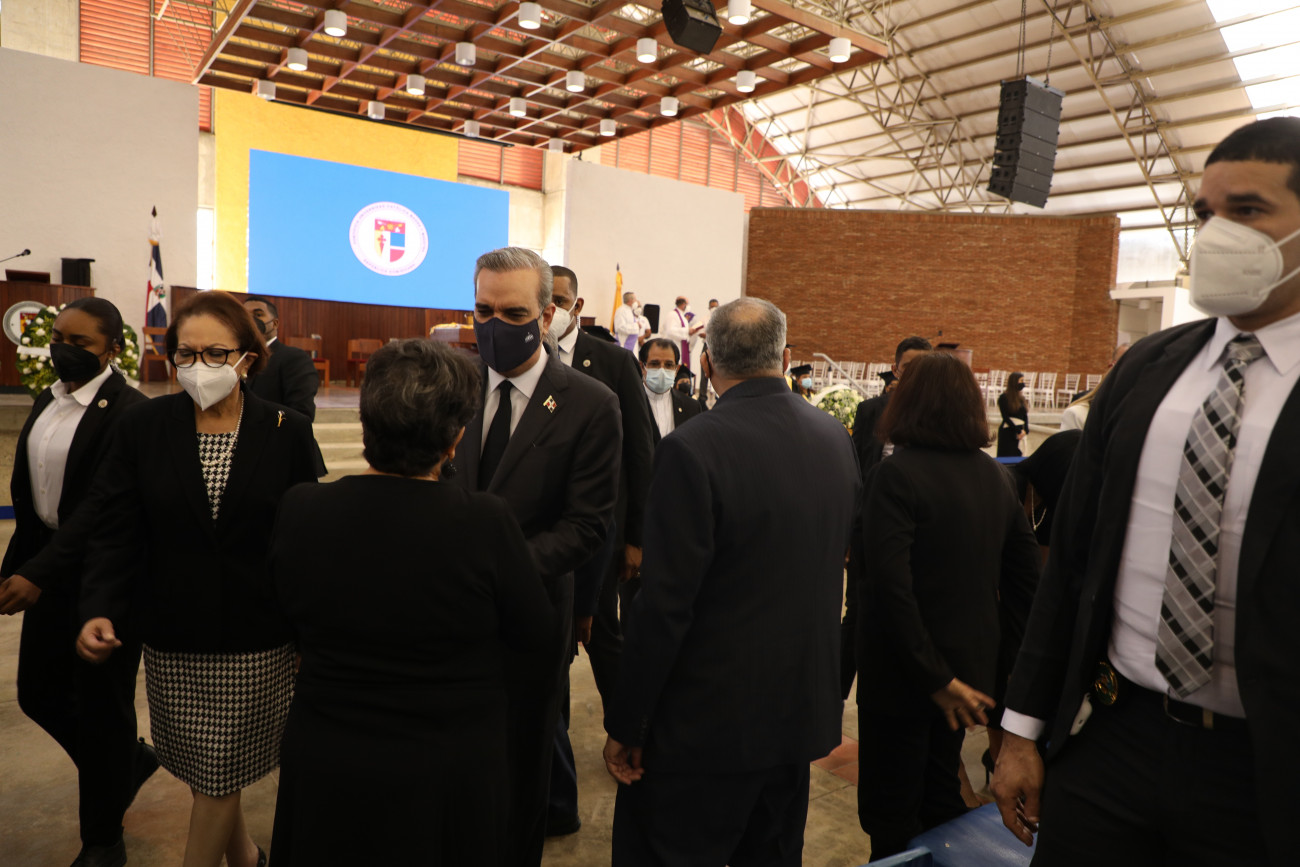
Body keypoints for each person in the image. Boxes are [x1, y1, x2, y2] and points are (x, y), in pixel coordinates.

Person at [991, 117, 1300, 866]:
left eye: (1248, 210)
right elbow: (1072, 562)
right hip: (1116, 737)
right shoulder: (1146, 369)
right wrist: (1021, 730)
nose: (1216, 235)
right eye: (1205, 213)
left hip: (1270, 769)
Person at [268, 339, 556, 865]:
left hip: (330, 752)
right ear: (456, 437)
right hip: (449, 762)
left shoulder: (303, 508)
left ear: (366, 423)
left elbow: (283, 616)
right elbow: (536, 639)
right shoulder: (484, 522)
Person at [603, 298, 859, 866]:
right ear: (786, 359)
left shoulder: (691, 447)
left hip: (704, 729)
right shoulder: (832, 436)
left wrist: (629, 720)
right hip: (795, 716)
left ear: (707, 362)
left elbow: (664, 606)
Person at [75, 291, 319, 867]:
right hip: (173, 632)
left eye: (215, 354)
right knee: (207, 768)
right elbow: (116, 528)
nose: (198, 366)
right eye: (185, 354)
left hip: (257, 637)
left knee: (217, 773)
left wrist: (310, 633)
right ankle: (247, 857)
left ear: (247, 358)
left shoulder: (286, 429)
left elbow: (304, 542)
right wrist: (99, 605)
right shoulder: (143, 425)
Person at [447, 247, 621, 867]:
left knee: (521, 779)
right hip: (448, 617)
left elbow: (586, 526)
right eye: (483, 311)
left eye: (513, 313)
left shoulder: (589, 403)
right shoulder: (452, 385)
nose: (494, 325)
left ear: (547, 316)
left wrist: (495, 571)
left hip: (529, 619)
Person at [855, 352, 1040, 860]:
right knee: (939, 797)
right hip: (967, 679)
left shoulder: (895, 475)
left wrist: (933, 675)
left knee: (891, 817)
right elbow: (1026, 584)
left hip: (905, 678)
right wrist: (1003, 673)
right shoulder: (995, 477)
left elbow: (890, 588)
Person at [0, 298, 154, 867]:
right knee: (39, 694)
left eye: (81, 342)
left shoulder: (131, 413)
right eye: (59, 337)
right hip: (49, 562)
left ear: (113, 348)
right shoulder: (50, 398)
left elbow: (100, 507)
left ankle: (103, 840)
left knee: (101, 708)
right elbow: (32, 497)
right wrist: (18, 566)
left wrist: (38, 573)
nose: (64, 349)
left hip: (105, 577)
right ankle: (127, 764)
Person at [546, 265, 655, 835]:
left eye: (558, 300)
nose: (550, 311)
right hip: (548, 534)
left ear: (577, 304)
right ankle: (554, 757)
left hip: (604, 529)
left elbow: (641, 449)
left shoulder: (610, 361)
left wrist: (636, 536)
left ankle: (627, 732)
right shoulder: (522, 357)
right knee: (556, 647)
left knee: (605, 635)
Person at [843, 336, 931, 701]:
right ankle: (835, 695)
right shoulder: (870, 410)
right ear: (895, 369)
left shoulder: (937, 416)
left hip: (915, 530)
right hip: (867, 526)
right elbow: (855, 471)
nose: (914, 375)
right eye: (908, 367)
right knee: (856, 612)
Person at [241, 295, 327, 476]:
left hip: (283, 456)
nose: (251, 320)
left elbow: (300, 412)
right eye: (245, 315)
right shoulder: (234, 358)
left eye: (258, 314)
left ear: (275, 323)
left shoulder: (293, 358)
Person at [638, 337, 704, 441]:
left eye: (668, 365)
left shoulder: (691, 407)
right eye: (654, 364)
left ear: (676, 369)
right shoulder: (626, 403)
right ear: (642, 366)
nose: (662, 370)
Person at [996, 372, 1029, 457]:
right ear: (1014, 382)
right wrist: (1018, 431)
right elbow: (1005, 417)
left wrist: (1025, 430)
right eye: (1021, 380)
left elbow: (1024, 415)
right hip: (1008, 432)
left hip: (1020, 433)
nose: (1023, 383)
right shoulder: (1003, 398)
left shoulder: (1021, 398)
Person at [662, 296, 698, 370]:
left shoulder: (681, 316)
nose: (688, 306)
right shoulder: (672, 314)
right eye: (687, 304)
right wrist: (687, 331)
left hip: (681, 347)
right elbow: (670, 331)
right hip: (673, 347)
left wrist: (689, 332)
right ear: (683, 304)